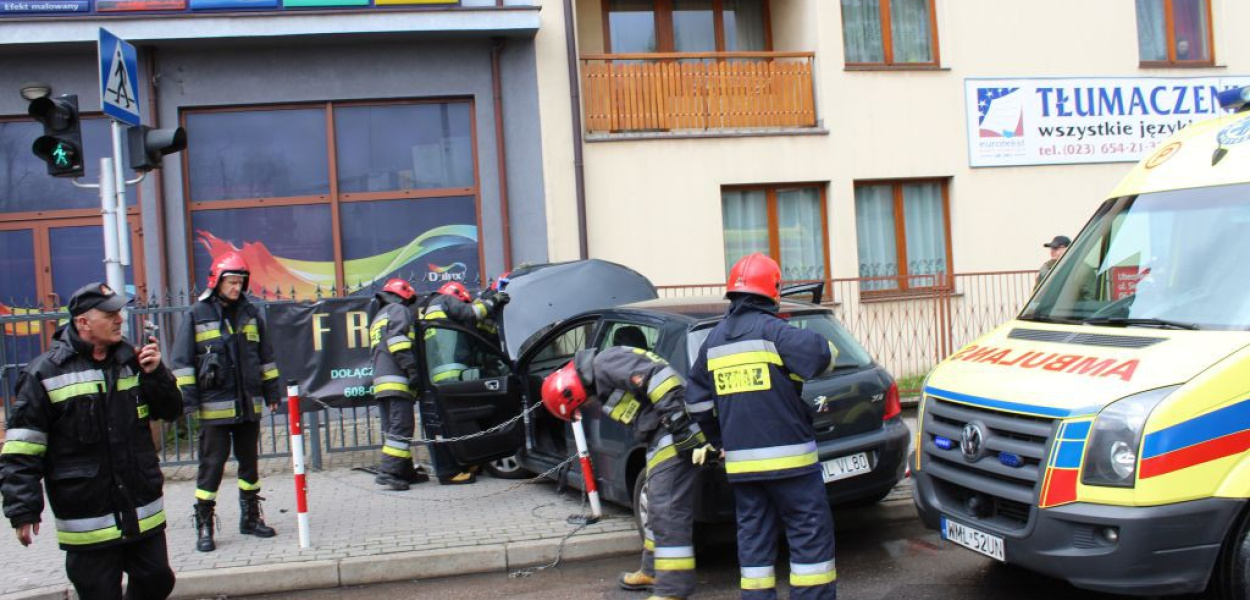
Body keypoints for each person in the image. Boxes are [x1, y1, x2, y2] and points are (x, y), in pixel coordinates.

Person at [1, 282, 182, 600]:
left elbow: (171, 410)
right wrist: (23, 508)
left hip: (141, 509)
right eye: (110, 314)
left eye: (119, 312)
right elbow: (22, 447)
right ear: (83, 322)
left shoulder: (133, 361)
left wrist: (156, 374)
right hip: (88, 518)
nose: (119, 319)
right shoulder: (44, 373)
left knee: (157, 580)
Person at [686, 253, 839, 600]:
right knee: (809, 540)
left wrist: (718, 439)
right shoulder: (775, 332)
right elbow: (822, 356)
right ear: (773, 291)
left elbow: (696, 402)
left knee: (754, 546)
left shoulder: (713, 342)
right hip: (793, 467)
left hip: (743, 469)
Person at [541, 346, 703, 600]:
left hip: (673, 432)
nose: (586, 408)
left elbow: (659, 377)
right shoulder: (600, 376)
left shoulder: (605, 364)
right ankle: (652, 571)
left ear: (572, 392)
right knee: (655, 506)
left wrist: (680, 426)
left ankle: (673, 590)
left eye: (580, 405)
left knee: (666, 509)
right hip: (659, 435)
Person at [171, 252, 280, 552]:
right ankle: (204, 525)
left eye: (240, 282)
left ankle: (251, 518)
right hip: (213, 407)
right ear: (216, 281)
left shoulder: (251, 313)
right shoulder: (197, 314)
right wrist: (189, 402)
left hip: (247, 405)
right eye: (231, 281)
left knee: (249, 465)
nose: (236, 287)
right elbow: (181, 362)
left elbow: (265, 358)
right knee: (212, 466)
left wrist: (272, 392)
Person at [419, 281, 509, 485]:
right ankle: (449, 473)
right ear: (458, 296)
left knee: (457, 424)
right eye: (464, 302)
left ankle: (466, 462)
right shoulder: (445, 300)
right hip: (451, 377)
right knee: (449, 427)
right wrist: (493, 300)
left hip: (440, 378)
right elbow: (472, 314)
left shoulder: (434, 310)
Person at [368, 278, 429, 491]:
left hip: (382, 382)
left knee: (394, 429)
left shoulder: (379, 316)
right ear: (403, 295)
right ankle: (389, 472)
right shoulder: (398, 310)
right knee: (401, 427)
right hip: (397, 379)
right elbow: (398, 341)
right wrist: (412, 369)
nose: (410, 306)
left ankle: (405, 471)